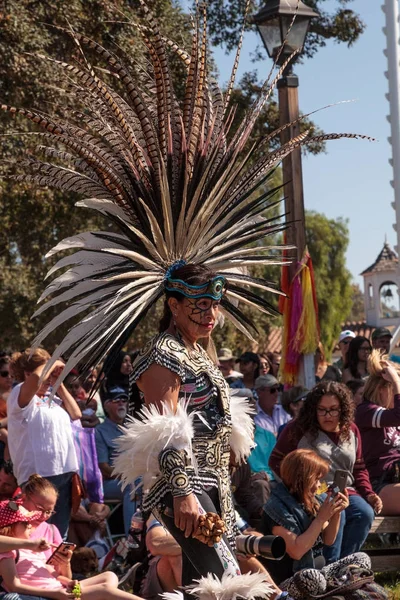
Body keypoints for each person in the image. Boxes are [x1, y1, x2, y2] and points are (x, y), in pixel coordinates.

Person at [113, 264, 257, 586]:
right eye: (201, 305)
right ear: (174, 305)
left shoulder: (199, 352)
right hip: (183, 485)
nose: (211, 314)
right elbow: (164, 429)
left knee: (201, 584)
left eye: (215, 305)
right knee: (223, 581)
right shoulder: (163, 353)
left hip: (214, 483)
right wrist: (183, 492)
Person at [269, 381, 382, 563]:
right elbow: (276, 461)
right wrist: (300, 486)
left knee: (364, 513)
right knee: (338, 512)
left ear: (343, 409)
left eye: (333, 409)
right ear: (313, 409)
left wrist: (369, 494)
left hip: (345, 490)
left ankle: (346, 568)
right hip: (312, 491)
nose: (327, 415)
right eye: (321, 409)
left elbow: (359, 469)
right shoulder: (298, 429)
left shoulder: (351, 430)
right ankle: (328, 568)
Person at [262, 449, 371, 599]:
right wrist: (320, 518)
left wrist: (336, 512)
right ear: (301, 478)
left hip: (318, 571)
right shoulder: (276, 507)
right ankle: (338, 589)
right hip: (291, 580)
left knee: (361, 558)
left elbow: (328, 540)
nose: (319, 485)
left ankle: (334, 590)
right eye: (316, 479)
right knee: (313, 578)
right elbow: (297, 551)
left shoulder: (313, 498)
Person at [0, 499, 144, 600]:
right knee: (104, 591)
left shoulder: (32, 549)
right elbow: (14, 586)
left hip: (62, 590)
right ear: (9, 529)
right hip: (51, 595)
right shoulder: (9, 552)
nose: (31, 526)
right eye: (25, 524)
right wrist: (57, 594)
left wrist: (68, 579)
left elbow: (54, 575)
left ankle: (96, 596)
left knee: (110, 576)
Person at [7, 349, 80, 539]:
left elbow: (76, 414)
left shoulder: (52, 399)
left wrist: (59, 383)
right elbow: (36, 380)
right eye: (48, 374)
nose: (49, 380)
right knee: (35, 535)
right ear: (27, 374)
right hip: (39, 477)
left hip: (64, 474)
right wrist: (53, 362)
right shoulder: (19, 395)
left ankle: (57, 569)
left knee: (58, 535)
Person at [355, 350, 400, 514]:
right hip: (377, 485)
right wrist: (395, 380)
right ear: (381, 388)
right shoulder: (365, 411)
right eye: (395, 389)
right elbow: (398, 415)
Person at [95, 386, 136, 535]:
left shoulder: (133, 428)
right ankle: (132, 538)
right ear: (106, 405)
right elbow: (103, 467)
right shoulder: (99, 431)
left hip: (135, 478)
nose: (121, 403)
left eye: (124, 400)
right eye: (116, 400)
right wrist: (127, 476)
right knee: (132, 487)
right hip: (110, 483)